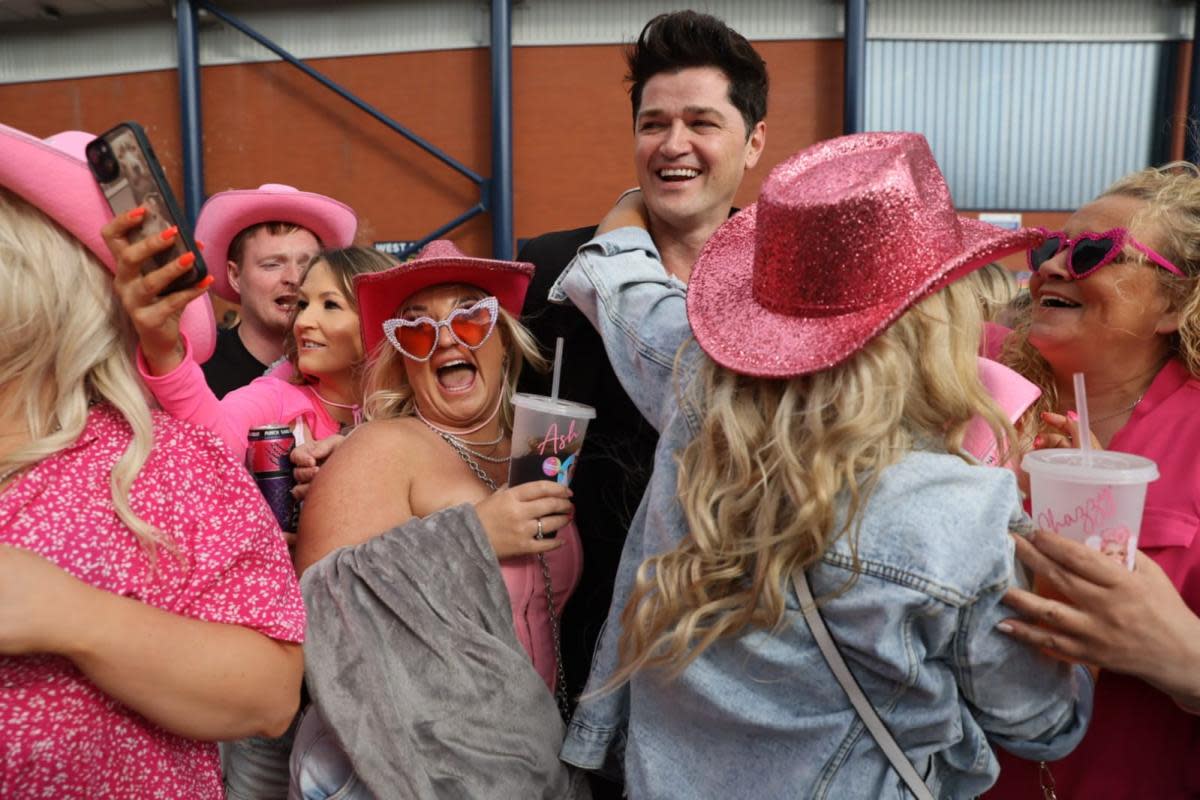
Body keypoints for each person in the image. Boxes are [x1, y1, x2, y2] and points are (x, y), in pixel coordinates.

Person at [553, 132, 1093, 798]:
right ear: (934, 313)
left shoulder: (698, 395)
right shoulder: (964, 516)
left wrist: (630, 212)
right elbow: (1045, 724)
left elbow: (631, 299)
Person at [0, 124, 305, 798]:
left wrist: (64, 613)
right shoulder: (241, 391)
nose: (295, 282)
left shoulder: (157, 462)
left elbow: (268, 692)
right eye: (276, 262)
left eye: (309, 266)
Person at [516, 12, 768, 753]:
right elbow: (505, 419)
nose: (673, 144)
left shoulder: (784, 292)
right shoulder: (559, 264)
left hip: (729, 651)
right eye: (653, 123)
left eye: (702, 122)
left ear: (754, 141)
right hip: (576, 636)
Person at [289, 241, 588, 798]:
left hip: (528, 763)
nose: (448, 337)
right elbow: (320, 610)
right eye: (419, 329)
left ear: (504, 336)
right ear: (403, 356)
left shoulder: (535, 448)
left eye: (472, 317)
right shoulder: (379, 449)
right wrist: (473, 536)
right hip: (409, 769)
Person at [985, 163, 1200, 798]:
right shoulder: (976, 382)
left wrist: (1180, 653)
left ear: (1176, 302)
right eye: (1052, 248)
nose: (1051, 267)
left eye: (1094, 252)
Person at [106, 229, 395, 462]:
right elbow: (215, 436)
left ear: (379, 318)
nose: (303, 320)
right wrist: (165, 350)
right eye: (303, 305)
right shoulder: (276, 397)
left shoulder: (416, 405)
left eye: (330, 304)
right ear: (234, 274)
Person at [196, 184, 357, 398]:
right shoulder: (200, 375)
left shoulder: (349, 370)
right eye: (272, 264)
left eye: (306, 264)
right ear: (235, 276)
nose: (293, 278)